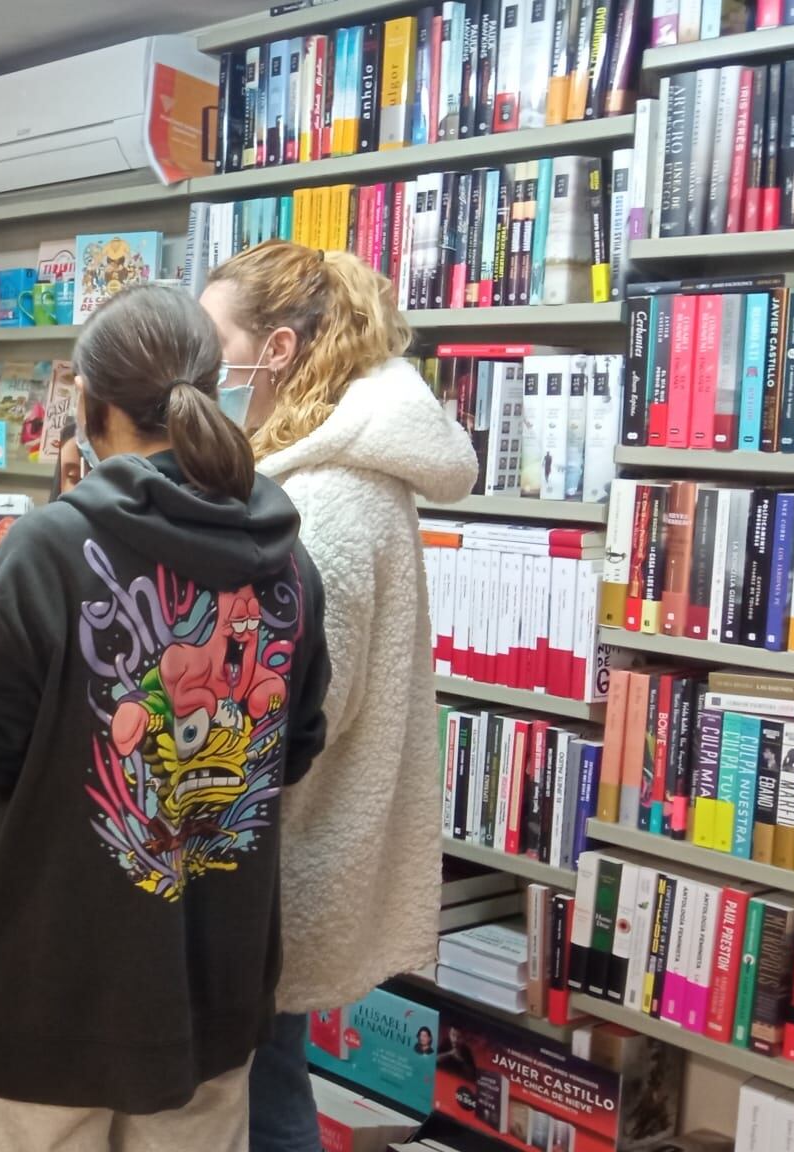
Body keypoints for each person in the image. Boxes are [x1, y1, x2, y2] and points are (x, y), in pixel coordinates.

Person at [0, 283, 330, 1152]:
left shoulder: (46, 549)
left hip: (51, 986)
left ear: (88, 401)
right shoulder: (287, 560)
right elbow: (294, 746)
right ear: (213, 389)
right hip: (213, 980)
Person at [198, 241, 479, 1152]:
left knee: (261, 1102)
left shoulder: (320, 502)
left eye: (213, 343)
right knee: (268, 1086)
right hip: (289, 853)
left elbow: (290, 712)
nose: (198, 371)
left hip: (276, 858)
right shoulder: (326, 480)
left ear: (273, 352)